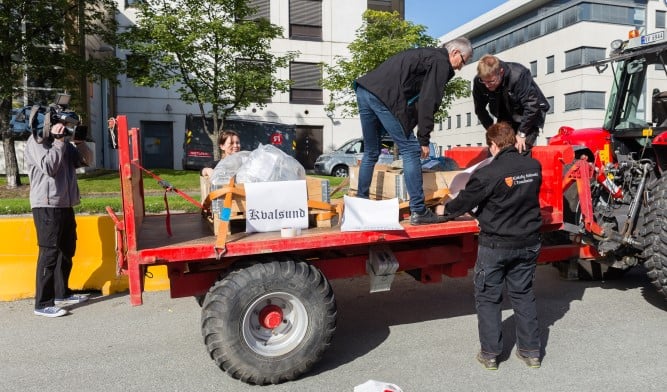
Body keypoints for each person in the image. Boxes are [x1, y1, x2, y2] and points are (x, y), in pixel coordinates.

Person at [441, 122, 543, 370]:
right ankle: (531, 353)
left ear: (493, 145)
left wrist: (445, 209)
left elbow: (464, 201)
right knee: (523, 294)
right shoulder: (533, 166)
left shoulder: (489, 173)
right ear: (513, 141)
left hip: (496, 245)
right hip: (528, 241)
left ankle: (490, 355)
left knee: (488, 298)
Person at [354, 37, 473, 225]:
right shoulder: (441, 62)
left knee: (371, 151)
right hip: (384, 96)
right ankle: (419, 211)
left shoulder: (426, 55)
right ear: (455, 53)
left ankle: (360, 203)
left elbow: (414, 101)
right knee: (410, 150)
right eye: (463, 61)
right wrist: (423, 139)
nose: (460, 68)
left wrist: (413, 127)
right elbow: (429, 100)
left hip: (364, 90)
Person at [25, 120, 93, 317]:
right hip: (46, 205)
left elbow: (86, 161)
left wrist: (79, 142)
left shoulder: (62, 143)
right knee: (49, 253)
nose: (62, 127)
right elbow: (49, 167)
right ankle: (43, 304)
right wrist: (58, 141)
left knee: (67, 249)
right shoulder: (36, 141)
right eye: (59, 124)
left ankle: (62, 293)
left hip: (65, 203)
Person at [473, 54, 550, 154]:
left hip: (528, 116)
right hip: (504, 115)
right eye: (484, 81)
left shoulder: (519, 74)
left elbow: (531, 104)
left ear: (501, 72)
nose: (487, 85)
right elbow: (479, 109)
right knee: (498, 151)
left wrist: (522, 133)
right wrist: (492, 130)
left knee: (520, 150)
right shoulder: (479, 81)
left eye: (491, 81)